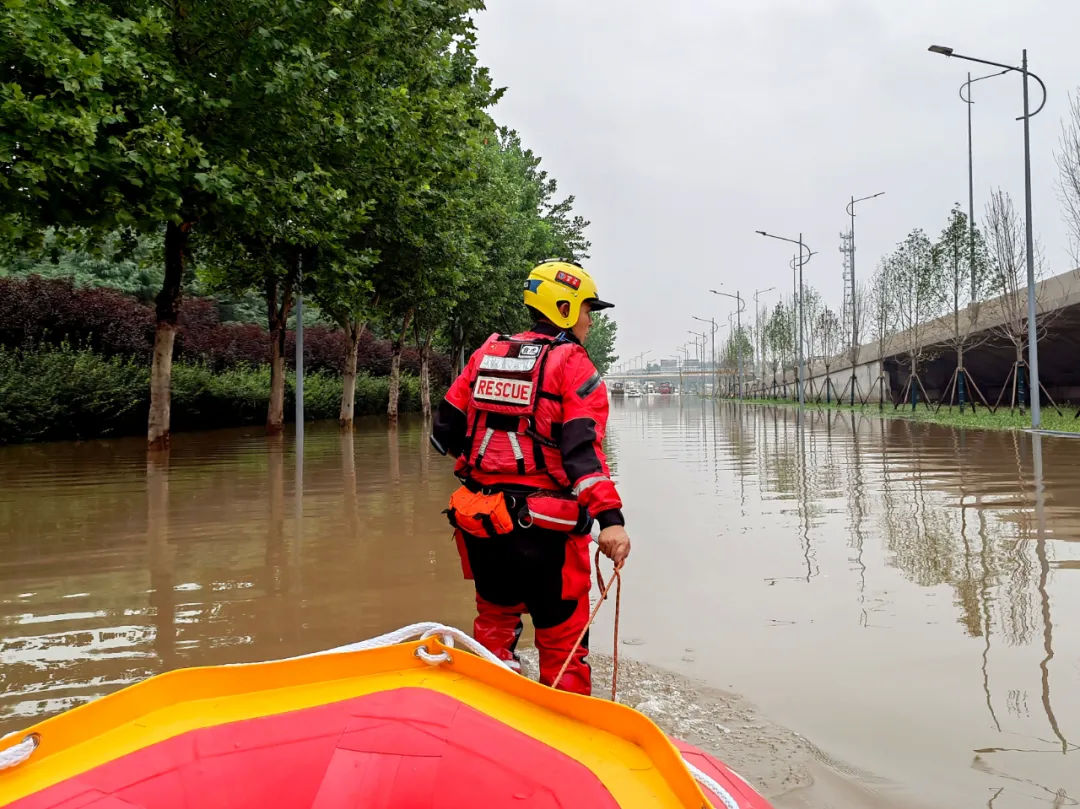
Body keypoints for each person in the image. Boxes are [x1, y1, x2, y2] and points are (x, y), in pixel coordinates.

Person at [430, 258, 630, 695]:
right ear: (564, 307)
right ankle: (565, 732)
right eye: (586, 310)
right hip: (548, 542)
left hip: (486, 529)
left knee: (493, 636)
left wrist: (493, 464)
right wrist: (611, 520)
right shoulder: (571, 362)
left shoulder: (486, 353)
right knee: (563, 649)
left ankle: (493, 719)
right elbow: (582, 453)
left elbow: (442, 432)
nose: (589, 322)